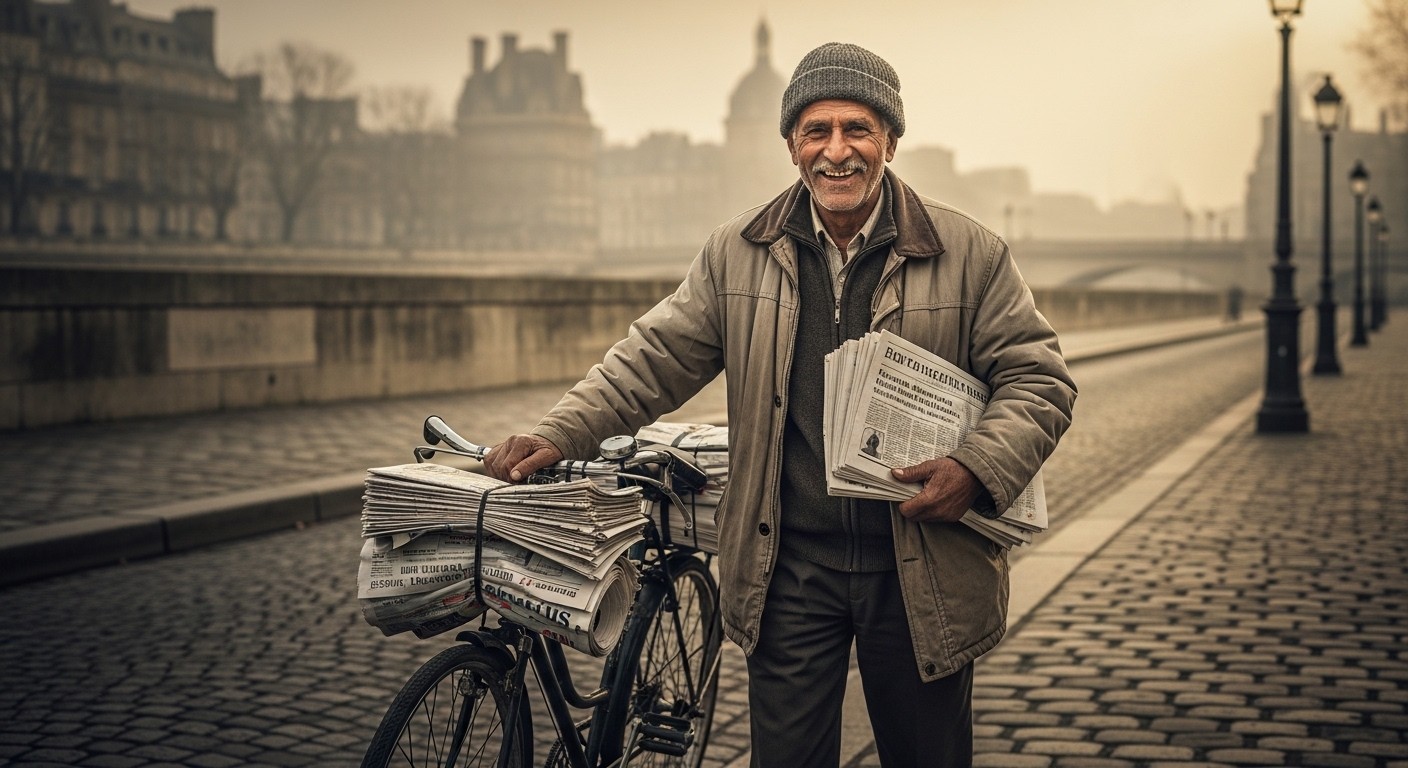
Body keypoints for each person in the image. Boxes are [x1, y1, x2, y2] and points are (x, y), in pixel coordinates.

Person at [486, 42, 1076, 768]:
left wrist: (977, 467)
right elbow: (654, 358)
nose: (837, 152)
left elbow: (1039, 378)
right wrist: (561, 429)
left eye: (857, 129)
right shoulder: (737, 252)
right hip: (789, 566)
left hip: (919, 563)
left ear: (890, 140)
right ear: (791, 144)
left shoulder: (972, 253)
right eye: (816, 131)